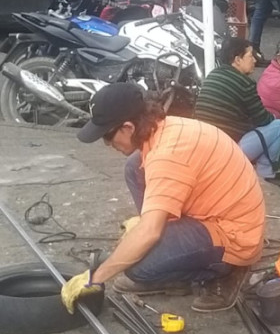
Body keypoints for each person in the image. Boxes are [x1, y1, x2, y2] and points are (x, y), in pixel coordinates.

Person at [59, 82, 266, 314]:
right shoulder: (165, 128)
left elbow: (149, 233)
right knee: (134, 167)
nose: (107, 144)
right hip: (218, 212)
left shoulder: (167, 156)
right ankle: (172, 251)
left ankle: (226, 271)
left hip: (234, 237)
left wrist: (95, 278)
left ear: (127, 127)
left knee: (137, 268)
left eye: (107, 136)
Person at [195, 36, 280, 179]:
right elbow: (263, 119)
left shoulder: (213, 74)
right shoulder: (245, 83)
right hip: (226, 151)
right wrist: (273, 117)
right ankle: (265, 174)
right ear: (237, 60)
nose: (255, 61)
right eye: (250, 56)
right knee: (279, 126)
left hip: (203, 146)